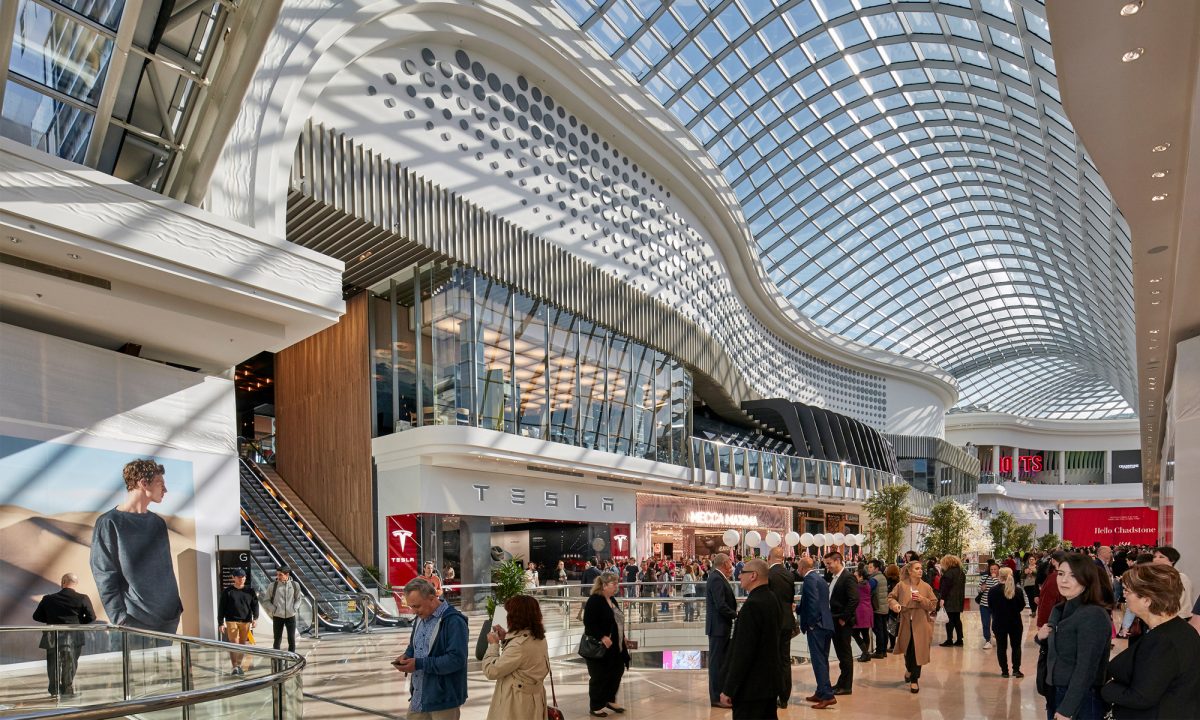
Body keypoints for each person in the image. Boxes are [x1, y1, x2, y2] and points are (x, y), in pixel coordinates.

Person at [89, 458, 184, 632]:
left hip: (169, 619)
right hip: (134, 621)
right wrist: (120, 619)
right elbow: (104, 573)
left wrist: (175, 608)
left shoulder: (158, 523)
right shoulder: (109, 522)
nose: (165, 489)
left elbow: (165, 570)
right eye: (160, 483)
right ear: (143, 483)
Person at [1102, 563, 1200, 718]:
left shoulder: (1163, 641)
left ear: (1147, 600)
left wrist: (1108, 689)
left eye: (1127, 591)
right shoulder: (1180, 629)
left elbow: (1141, 697)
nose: (1124, 596)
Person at [1037, 554, 1111, 720]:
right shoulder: (1060, 609)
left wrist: (1067, 708)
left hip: (1080, 696)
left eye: (1073, 575)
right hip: (1056, 690)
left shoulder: (1093, 614)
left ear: (1086, 579)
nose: (1063, 580)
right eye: (1061, 574)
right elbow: (1058, 646)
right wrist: (1040, 638)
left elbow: (1087, 667)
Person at [393, 577, 469, 720]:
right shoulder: (420, 618)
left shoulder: (454, 621)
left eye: (417, 606)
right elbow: (414, 645)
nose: (414, 611)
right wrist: (407, 655)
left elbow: (456, 660)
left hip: (443, 701)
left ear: (432, 598)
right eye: (411, 607)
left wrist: (419, 664)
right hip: (418, 698)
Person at [719, 559, 782, 720]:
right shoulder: (771, 598)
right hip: (769, 683)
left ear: (753, 575)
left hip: (751, 688)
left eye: (743, 573)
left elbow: (743, 652)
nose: (739, 576)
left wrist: (729, 688)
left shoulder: (752, 605)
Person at [482, 595, 549, 720]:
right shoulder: (539, 638)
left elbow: (491, 671)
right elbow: (519, 661)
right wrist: (506, 638)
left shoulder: (519, 646)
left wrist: (494, 645)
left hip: (516, 705)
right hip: (532, 701)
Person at [32, 573, 96, 697]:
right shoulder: (82, 598)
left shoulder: (48, 599)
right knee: (70, 663)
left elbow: (36, 616)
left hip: (52, 635)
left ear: (63, 582)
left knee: (53, 664)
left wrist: (51, 620)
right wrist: (77, 623)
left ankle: (54, 690)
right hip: (74, 636)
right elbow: (91, 617)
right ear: (75, 583)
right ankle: (67, 690)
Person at [582, 572, 629, 717]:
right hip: (600, 647)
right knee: (599, 676)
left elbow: (617, 621)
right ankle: (595, 705)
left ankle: (609, 699)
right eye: (613, 584)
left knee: (617, 671)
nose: (616, 586)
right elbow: (589, 623)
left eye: (617, 583)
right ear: (603, 585)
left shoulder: (612, 599)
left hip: (615, 646)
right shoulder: (595, 600)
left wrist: (623, 636)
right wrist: (602, 637)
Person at [887, 560, 938, 694]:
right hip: (905, 622)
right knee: (907, 650)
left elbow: (933, 605)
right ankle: (909, 669)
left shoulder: (926, 587)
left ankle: (914, 680)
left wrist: (922, 599)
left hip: (921, 623)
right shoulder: (901, 585)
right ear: (910, 571)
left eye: (921, 568)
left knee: (918, 651)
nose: (920, 570)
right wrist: (895, 605)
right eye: (917, 568)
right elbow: (891, 597)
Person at [796, 556, 836, 709]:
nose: (797, 569)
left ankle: (827, 695)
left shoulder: (809, 580)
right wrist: (798, 608)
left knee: (818, 661)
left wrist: (811, 624)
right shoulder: (820, 579)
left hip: (817, 626)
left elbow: (813, 602)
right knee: (823, 660)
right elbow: (818, 601)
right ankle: (820, 691)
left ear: (802, 567)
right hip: (826, 624)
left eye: (798, 567)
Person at [766, 546, 797, 708]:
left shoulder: (768, 574)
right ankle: (784, 697)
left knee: (771, 659)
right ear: (783, 558)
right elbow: (790, 598)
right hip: (787, 621)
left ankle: (771, 693)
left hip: (773, 622)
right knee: (785, 659)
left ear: (769, 557)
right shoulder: (789, 574)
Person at [705, 553, 737, 709]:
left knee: (722, 663)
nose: (732, 567)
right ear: (725, 564)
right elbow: (721, 605)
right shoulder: (716, 578)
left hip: (721, 627)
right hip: (718, 628)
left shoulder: (717, 577)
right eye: (730, 563)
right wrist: (736, 615)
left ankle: (722, 695)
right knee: (716, 664)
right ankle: (716, 697)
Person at [825, 551, 858, 695]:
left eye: (829, 563)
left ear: (837, 561)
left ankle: (846, 686)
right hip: (835, 620)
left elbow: (854, 599)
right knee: (841, 654)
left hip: (842, 622)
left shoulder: (848, 577)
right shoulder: (835, 577)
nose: (827, 567)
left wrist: (844, 618)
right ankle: (842, 682)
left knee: (845, 654)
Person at [217, 568, 258, 675]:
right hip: (231, 620)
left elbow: (255, 605)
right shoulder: (227, 591)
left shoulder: (250, 591)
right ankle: (234, 666)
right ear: (233, 578)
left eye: (243, 577)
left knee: (242, 644)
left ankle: (239, 665)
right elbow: (221, 608)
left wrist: (255, 618)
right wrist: (220, 623)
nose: (241, 579)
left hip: (246, 620)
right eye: (239, 577)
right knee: (234, 643)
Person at [988, 567, 1027, 678]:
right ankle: (1016, 670)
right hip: (1015, 622)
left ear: (999, 576)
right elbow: (1021, 606)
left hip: (999, 622)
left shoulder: (993, 591)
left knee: (1001, 647)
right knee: (1016, 646)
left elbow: (990, 606)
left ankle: (1004, 671)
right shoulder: (1018, 590)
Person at [261, 566, 302, 653]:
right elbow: (266, 601)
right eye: (277, 574)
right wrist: (274, 609)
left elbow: (298, 599)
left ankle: (291, 657)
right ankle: (276, 658)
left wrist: (294, 608)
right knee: (277, 639)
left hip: (291, 616)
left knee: (291, 639)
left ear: (287, 575)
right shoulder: (272, 586)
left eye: (280, 575)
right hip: (277, 616)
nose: (278, 577)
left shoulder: (295, 585)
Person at [1152, 546, 1194, 619]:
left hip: (1177, 619)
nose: (1156, 559)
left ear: (1172, 560)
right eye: (1154, 557)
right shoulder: (1157, 577)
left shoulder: (1181, 577)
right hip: (1160, 618)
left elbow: (1183, 602)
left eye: (1161, 557)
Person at [937, 554, 966, 646]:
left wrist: (942, 598)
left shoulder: (948, 573)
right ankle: (960, 640)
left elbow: (945, 588)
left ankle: (949, 640)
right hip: (958, 599)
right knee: (957, 619)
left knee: (949, 620)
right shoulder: (961, 572)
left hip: (949, 599)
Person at [1037, 551, 1068, 629]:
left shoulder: (1054, 577)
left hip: (1054, 621)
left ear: (1053, 561)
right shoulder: (1068, 576)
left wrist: (1041, 623)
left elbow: (1047, 602)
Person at [867, 559, 890, 658]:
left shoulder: (874, 579)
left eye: (871, 567)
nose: (869, 569)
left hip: (877, 607)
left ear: (876, 568)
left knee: (878, 630)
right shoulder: (883, 577)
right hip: (884, 607)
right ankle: (883, 650)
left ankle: (879, 651)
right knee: (883, 629)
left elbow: (867, 589)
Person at [853, 564, 875, 662]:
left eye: (855, 576)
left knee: (854, 633)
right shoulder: (867, 584)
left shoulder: (858, 586)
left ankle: (865, 653)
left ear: (861, 577)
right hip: (867, 610)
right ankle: (865, 654)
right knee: (865, 633)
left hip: (860, 611)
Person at [978, 562, 1001, 650]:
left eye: (995, 569)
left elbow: (998, 588)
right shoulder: (984, 577)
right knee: (985, 623)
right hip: (984, 604)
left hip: (997, 605)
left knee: (997, 623)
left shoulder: (1001, 578)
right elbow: (978, 589)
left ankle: (998, 637)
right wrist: (981, 589)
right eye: (991, 569)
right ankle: (987, 640)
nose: (993, 571)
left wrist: (994, 578)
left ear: (998, 570)